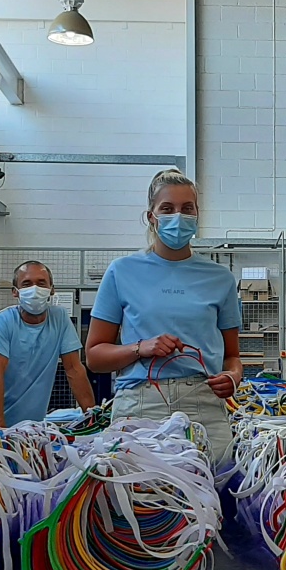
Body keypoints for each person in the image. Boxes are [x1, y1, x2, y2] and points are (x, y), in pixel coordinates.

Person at [85, 169, 241, 461]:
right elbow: (95, 356)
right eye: (167, 209)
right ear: (151, 217)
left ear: (197, 215)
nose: (178, 217)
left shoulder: (221, 279)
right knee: (138, 498)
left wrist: (233, 377)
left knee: (216, 491)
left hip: (204, 402)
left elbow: (232, 356)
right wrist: (140, 348)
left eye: (187, 209)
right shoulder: (121, 271)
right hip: (140, 404)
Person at [0, 261, 95, 427]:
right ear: (15, 292)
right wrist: (0, 432)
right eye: (27, 284)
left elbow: (74, 369)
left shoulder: (59, 318)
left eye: (41, 283)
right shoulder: (2, 321)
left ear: (52, 289)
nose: (35, 289)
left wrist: (92, 418)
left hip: (29, 428)